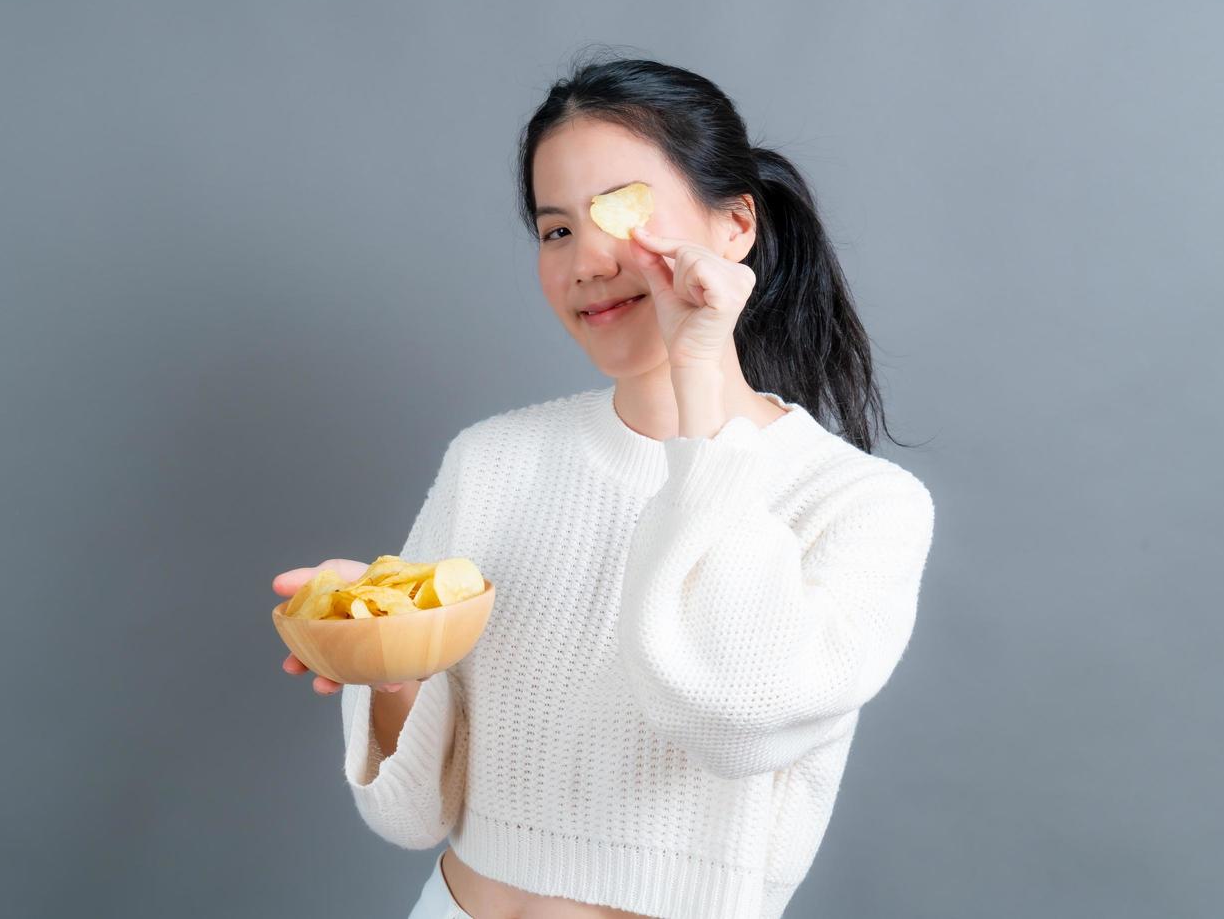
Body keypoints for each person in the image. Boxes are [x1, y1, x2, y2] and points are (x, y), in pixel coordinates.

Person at [273, 50, 937, 919]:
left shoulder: (858, 506)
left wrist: (701, 371)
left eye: (618, 213)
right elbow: (408, 814)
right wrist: (389, 667)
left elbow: (731, 718)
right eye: (555, 231)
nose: (586, 260)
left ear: (736, 228)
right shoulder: (493, 462)